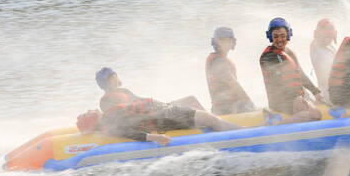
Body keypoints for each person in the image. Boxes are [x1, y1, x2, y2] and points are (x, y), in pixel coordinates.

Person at [86, 67, 240, 145]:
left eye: (114, 76)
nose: (115, 79)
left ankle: (211, 123)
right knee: (202, 115)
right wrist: (151, 133)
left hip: (157, 108)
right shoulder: (106, 101)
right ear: (105, 83)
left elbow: (138, 101)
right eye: (112, 78)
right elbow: (124, 119)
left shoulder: (123, 90)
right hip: (151, 118)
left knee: (190, 99)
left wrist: (165, 103)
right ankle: (212, 124)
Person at [259, 17, 326, 124]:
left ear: (288, 35)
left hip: (294, 98)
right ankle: (277, 127)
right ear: (270, 37)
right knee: (315, 115)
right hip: (280, 102)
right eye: (275, 36)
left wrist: (315, 92)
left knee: (315, 111)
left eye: (282, 36)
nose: (279, 40)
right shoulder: (268, 56)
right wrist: (299, 100)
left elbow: (300, 74)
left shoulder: (288, 52)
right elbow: (279, 84)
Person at [205, 27, 255, 115]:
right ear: (215, 42)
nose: (225, 43)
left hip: (226, 108)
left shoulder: (218, 59)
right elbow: (232, 83)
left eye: (228, 40)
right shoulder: (218, 61)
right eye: (222, 40)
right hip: (227, 109)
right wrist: (249, 102)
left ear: (233, 42)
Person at [309, 18, 338, 99]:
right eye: (325, 35)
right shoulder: (316, 48)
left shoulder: (331, 46)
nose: (327, 39)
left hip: (335, 89)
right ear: (318, 34)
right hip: (327, 93)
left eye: (330, 36)